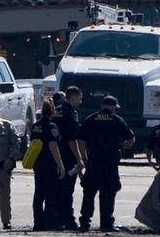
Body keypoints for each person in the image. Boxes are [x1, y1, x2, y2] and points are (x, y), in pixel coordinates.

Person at [77, 95, 135, 232]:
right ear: (112, 107)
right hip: (110, 164)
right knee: (108, 194)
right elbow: (131, 139)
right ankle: (106, 224)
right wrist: (125, 145)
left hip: (93, 162)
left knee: (89, 193)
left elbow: (81, 139)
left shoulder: (90, 119)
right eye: (115, 108)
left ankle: (84, 223)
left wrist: (83, 158)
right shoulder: (117, 120)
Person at [53, 86, 85, 231]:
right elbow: (72, 139)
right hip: (67, 156)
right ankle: (68, 219)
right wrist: (79, 158)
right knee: (67, 190)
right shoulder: (71, 112)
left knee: (56, 189)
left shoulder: (56, 110)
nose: (80, 101)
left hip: (54, 155)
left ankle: (56, 218)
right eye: (79, 98)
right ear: (73, 97)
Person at [31, 98, 66, 231]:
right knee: (50, 194)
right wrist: (61, 165)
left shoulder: (36, 126)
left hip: (37, 163)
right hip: (49, 164)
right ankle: (50, 222)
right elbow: (53, 146)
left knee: (38, 193)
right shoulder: (51, 126)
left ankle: (38, 222)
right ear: (52, 111)